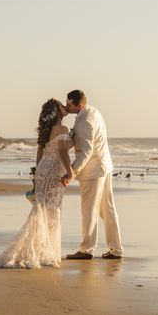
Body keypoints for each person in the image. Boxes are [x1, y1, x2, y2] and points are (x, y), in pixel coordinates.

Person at [0, 99, 73, 268]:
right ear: (57, 111)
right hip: (54, 171)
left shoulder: (46, 130)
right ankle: (46, 251)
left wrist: (37, 176)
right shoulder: (62, 129)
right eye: (61, 106)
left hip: (43, 169)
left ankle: (40, 249)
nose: (65, 107)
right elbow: (63, 152)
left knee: (40, 208)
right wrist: (70, 171)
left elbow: (40, 154)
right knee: (52, 209)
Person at [61, 90, 123, 260]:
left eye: (69, 104)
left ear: (79, 105)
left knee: (89, 210)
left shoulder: (85, 120)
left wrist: (71, 172)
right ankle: (116, 249)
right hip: (104, 166)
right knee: (107, 210)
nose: (67, 106)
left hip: (93, 170)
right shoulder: (93, 112)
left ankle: (87, 249)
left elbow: (86, 151)